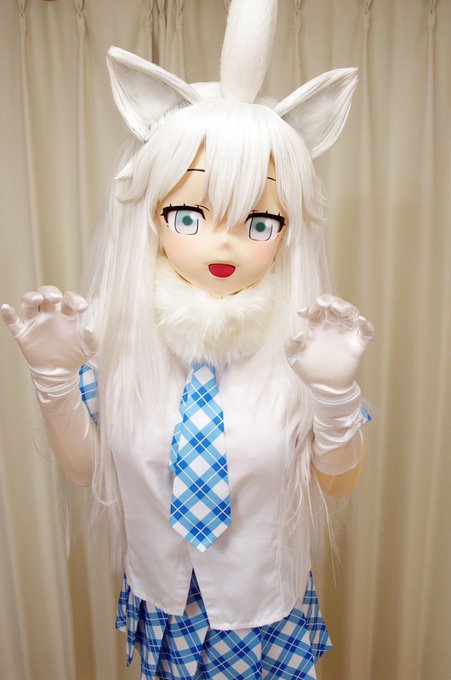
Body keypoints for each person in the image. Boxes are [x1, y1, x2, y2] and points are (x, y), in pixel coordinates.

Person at [1, 1, 374, 677]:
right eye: (189, 215)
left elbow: (338, 480)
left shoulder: (308, 344)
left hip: (265, 619)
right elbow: (88, 470)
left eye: (258, 222)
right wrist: (54, 381)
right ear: (152, 215)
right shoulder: (114, 337)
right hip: (162, 611)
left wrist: (334, 397)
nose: (223, 244)